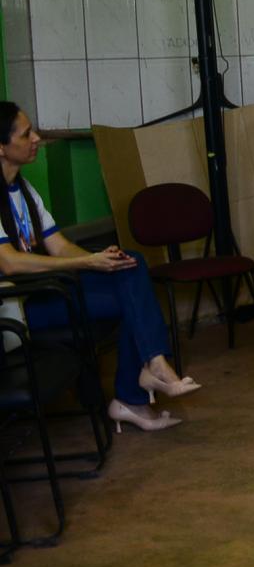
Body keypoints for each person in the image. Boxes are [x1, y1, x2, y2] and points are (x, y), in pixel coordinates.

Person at [0, 103, 199, 432]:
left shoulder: (24, 189)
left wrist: (102, 262)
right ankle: (136, 390)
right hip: (22, 307)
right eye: (26, 134)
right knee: (130, 299)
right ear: (2, 147)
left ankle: (154, 366)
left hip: (50, 291)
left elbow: (59, 245)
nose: (36, 137)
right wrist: (86, 261)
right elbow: (8, 261)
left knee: (128, 264)